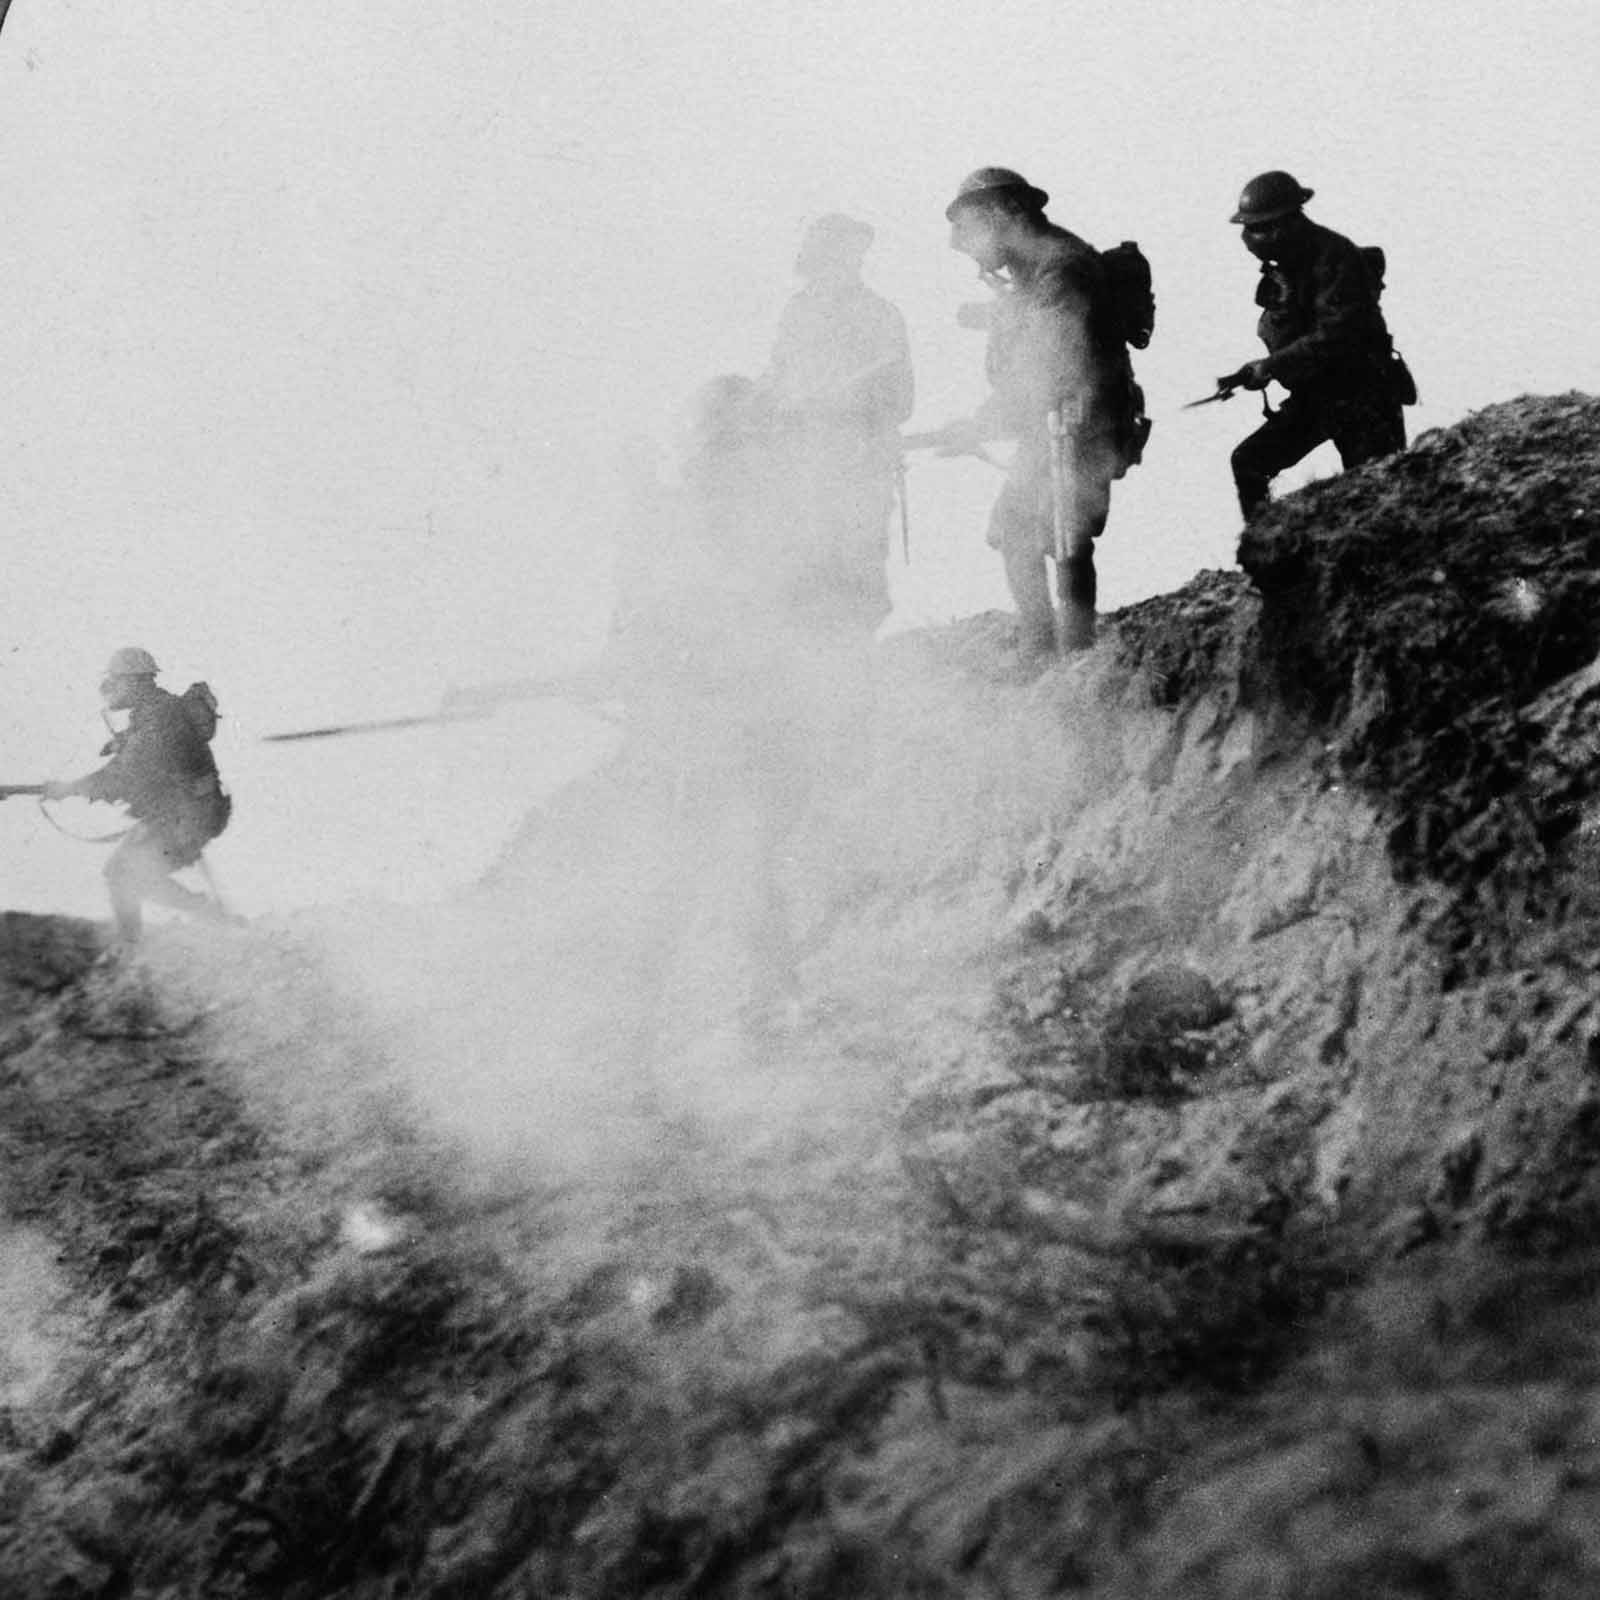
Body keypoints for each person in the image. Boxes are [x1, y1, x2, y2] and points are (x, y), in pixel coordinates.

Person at [935, 167, 1135, 658]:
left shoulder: (1061, 267)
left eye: (972, 230)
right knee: (1017, 530)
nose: (966, 246)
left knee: (1067, 534)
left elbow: (1052, 365)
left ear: (1004, 215)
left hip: (1080, 425)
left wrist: (981, 423)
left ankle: (1074, 653)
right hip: (1052, 424)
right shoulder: (1034, 270)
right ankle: (1044, 648)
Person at [1222, 170, 1412, 520]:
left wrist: (1272, 366)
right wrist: (1261, 370)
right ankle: (1269, 557)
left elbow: (1335, 335)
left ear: (1286, 223)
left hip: (1364, 398)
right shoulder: (1284, 268)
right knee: (1249, 462)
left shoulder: (1334, 256)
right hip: (1317, 397)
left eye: (1258, 227)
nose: (1251, 238)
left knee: (1378, 502)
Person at [762, 212, 914, 636]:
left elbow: (901, 398)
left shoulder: (881, 315)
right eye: (828, 254)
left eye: (848, 254)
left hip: (861, 463)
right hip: (801, 466)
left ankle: (856, 666)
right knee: (805, 572)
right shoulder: (797, 313)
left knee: (859, 574)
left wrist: (839, 404)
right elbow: (776, 375)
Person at [43, 647, 233, 946]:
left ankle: (136, 947)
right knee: (126, 873)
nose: (109, 688)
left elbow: (120, 777)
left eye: (115, 680)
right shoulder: (156, 712)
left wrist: (65, 789)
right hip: (186, 812)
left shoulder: (159, 718)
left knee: (123, 875)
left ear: (135, 682)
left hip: (188, 816)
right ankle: (211, 918)